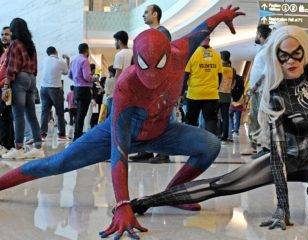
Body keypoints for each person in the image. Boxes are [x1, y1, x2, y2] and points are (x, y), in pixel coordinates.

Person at [0, 6, 243, 239]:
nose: (151, 77)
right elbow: (119, 150)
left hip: (162, 130)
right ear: (135, 60)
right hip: (119, 132)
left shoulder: (181, 52)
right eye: (144, 66)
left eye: (158, 65)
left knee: (210, 145)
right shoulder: (126, 84)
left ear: (169, 53)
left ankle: (173, 194)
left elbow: (202, 28)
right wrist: (123, 204)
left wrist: (222, 15)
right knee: (57, 162)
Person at [130, 0, 308, 231]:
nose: (291, 61)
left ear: (304, 51)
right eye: (283, 56)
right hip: (285, 158)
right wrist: (282, 208)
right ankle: (147, 201)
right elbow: (278, 156)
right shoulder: (277, 94)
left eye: (296, 54)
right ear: (276, 57)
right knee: (221, 185)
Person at [131, 3, 172, 163]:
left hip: (160, 84)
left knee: (161, 117)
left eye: (146, 12)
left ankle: (163, 153)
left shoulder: (162, 33)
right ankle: (146, 150)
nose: (143, 15)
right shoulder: (149, 33)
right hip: (148, 83)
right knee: (146, 118)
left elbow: (162, 57)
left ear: (155, 14)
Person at [1, 18, 44, 159]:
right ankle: (38, 147)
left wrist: (6, 86)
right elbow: (35, 66)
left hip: (19, 79)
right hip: (31, 79)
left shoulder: (15, 44)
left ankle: (18, 148)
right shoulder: (30, 44)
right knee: (31, 115)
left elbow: (12, 67)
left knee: (18, 115)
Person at [241, 24, 272, 156]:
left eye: (256, 33)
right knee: (256, 117)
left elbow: (265, 72)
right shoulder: (263, 49)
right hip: (258, 90)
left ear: (260, 34)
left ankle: (260, 145)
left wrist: (255, 87)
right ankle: (257, 145)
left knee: (258, 117)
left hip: (261, 90)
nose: (255, 36)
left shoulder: (267, 50)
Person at [184, 35, 223, 135]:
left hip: (194, 94)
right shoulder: (216, 55)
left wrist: (181, 91)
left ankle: (191, 147)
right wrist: (215, 88)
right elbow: (220, 75)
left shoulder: (192, 54)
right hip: (211, 94)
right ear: (209, 40)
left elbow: (186, 75)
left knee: (191, 121)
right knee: (211, 121)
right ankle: (211, 147)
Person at [39, 46, 69, 141]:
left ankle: (42, 134)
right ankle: (61, 135)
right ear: (56, 51)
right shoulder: (60, 62)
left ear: (48, 53)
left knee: (45, 112)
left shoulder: (44, 60)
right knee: (60, 112)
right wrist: (67, 59)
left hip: (43, 89)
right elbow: (66, 72)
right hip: (55, 89)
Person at [69, 43, 97, 140]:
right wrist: (95, 78)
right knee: (82, 114)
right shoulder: (85, 61)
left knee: (79, 113)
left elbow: (70, 75)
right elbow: (87, 77)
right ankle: (78, 136)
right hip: (84, 90)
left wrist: (77, 80)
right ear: (87, 50)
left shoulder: (74, 61)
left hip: (77, 89)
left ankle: (77, 134)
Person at [0, 26, 14, 155]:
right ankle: (7, 144)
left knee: (5, 117)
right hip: (2, 87)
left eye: (7, 34)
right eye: (2, 34)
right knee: (6, 117)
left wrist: (4, 86)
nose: (4, 36)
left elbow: (9, 72)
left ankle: (6, 145)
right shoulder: (5, 52)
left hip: (6, 88)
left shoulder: (12, 51)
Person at [218, 50, 235, 142]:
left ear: (221, 58)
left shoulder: (219, 68)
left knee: (216, 116)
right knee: (225, 117)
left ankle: (217, 134)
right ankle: (225, 136)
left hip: (217, 95)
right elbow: (233, 83)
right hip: (227, 96)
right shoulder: (233, 69)